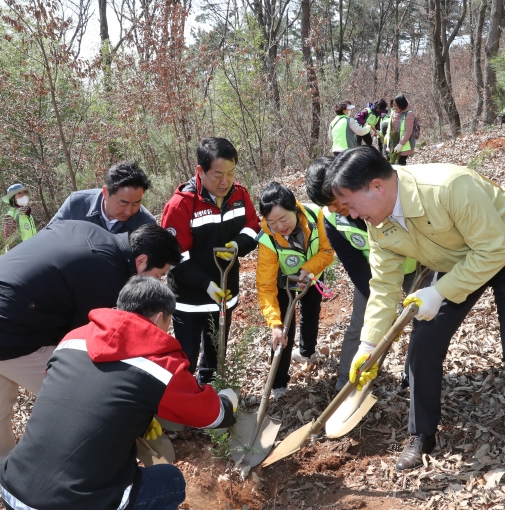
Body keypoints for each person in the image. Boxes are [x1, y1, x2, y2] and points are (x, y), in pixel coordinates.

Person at [329, 146, 505, 471]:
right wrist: (368, 344)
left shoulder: (448, 186)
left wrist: (440, 292)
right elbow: (384, 287)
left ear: (376, 186)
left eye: (351, 204)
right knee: (423, 345)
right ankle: (422, 434)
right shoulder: (377, 225)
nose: (353, 215)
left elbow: (493, 249)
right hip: (457, 261)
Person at [0, 276, 237, 510]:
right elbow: (211, 416)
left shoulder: (73, 338)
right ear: (160, 317)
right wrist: (228, 403)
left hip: (14, 496)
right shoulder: (161, 364)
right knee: (171, 481)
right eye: (169, 321)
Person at [0, 222, 182, 467]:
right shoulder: (106, 274)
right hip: (6, 330)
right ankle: (102, 467)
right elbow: (89, 344)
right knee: (88, 401)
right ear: (141, 261)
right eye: (158, 275)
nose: (156, 282)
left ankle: (2, 467)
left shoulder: (87, 230)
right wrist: (135, 411)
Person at [304, 157, 430, 391]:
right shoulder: (332, 219)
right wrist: (381, 303)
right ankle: (347, 384)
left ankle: (412, 375)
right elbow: (353, 264)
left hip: (418, 265)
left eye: (338, 201)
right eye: (330, 205)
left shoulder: (382, 198)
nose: (338, 209)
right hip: (375, 275)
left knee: (423, 318)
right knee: (361, 325)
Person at [161, 138, 260, 385]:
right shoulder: (181, 204)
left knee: (216, 355)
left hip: (225, 295)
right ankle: (183, 402)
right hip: (190, 301)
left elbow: (252, 227)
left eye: (231, 173)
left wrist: (237, 245)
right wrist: (206, 284)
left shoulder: (239, 195)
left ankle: (210, 395)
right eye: (217, 174)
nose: (225, 181)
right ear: (200, 171)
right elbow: (175, 256)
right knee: (187, 358)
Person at [256, 182, 334, 399]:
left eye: (283, 219)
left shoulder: (315, 215)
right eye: (272, 222)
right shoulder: (267, 239)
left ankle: (307, 351)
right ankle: (278, 382)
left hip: (310, 274)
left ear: (295, 209)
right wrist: (274, 324)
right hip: (283, 282)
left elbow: (327, 250)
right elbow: (265, 285)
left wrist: (307, 270)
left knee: (311, 312)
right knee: (283, 331)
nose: (279, 226)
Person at [49, 161, 156, 233]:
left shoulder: (146, 224)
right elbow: (49, 237)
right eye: (123, 203)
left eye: (136, 203)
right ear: (105, 192)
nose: (128, 212)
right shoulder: (76, 205)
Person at [2, 183, 37, 250]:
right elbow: (10, 243)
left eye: (25, 192)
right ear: (13, 198)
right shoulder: (11, 216)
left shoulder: (28, 214)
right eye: (19, 193)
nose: (24, 195)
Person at [386, 95, 416, 166]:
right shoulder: (393, 111)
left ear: (401, 104)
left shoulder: (409, 114)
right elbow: (390, 126)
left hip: (404, 143)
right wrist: (387, 136)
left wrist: (400, 144)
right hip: (393, 142)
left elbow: (408, 131)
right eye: (393, 105)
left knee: (401, 163)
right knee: (390, 161)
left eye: (396, 105)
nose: (394, 107)